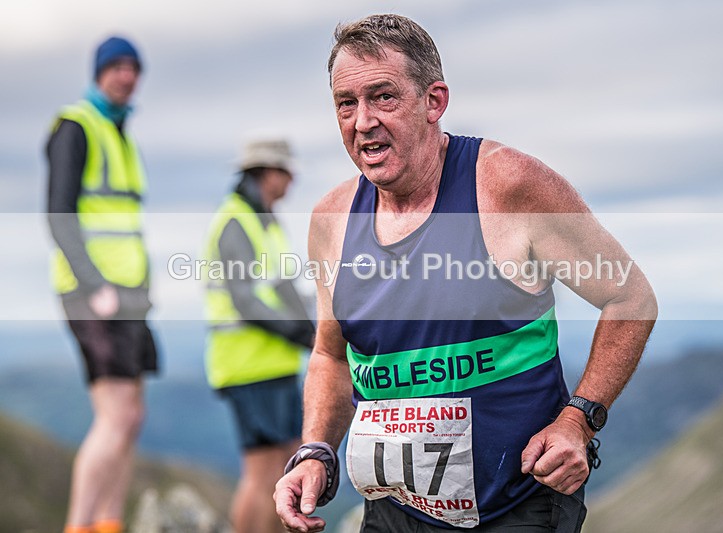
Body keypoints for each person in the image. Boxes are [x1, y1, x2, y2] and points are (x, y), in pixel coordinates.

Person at [275, 13, 657, 533]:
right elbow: (329, 354)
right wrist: (315, 449)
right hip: (391, 510)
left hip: (518, 507)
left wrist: (578, 419)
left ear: (434, 102)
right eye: (347, 103)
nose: (362, 121)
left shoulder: (508, 186)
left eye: (383, 97)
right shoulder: (331, 220)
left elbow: (630, 299)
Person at [45, 36, 157, 533]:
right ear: (99, 72)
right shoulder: (77, 126)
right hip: (95, 292)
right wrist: (93, 284)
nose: (127, 75)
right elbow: (59, 213)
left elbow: (124, 221)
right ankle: (79, 524)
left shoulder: (120, 132)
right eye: (117, 66)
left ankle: (107, 523)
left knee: (131, 417)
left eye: (134, 68)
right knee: (114, 417)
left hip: (129, 294)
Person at [203, 139, 316, 533]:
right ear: (268, 173)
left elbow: (283, 287)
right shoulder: (237, 220)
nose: (293, 178)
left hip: (272, 363)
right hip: (248, 365)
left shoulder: (263, 219)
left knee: (283, 465)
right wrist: (303, 335)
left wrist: (315, 336)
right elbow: (245, 301)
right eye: (287, 171)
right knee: (262, 471)